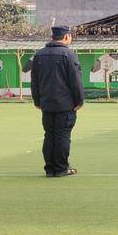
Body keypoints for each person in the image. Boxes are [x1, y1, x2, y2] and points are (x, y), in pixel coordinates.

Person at [30, 25, 85, 177]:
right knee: (62, 136)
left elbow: (34, 81)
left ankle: (50, 169)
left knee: (49, 135)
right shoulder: (69, 55)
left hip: (46, 104)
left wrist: (37, 101)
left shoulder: (39, 55)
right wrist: (79, 101)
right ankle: (61, 168)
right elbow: (76, 81)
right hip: (65, 104)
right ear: (66, 37)